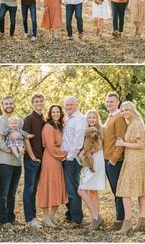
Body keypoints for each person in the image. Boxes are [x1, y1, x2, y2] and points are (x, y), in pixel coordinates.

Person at [115, 101, 145, 235]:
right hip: (134, 158)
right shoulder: (132, 123)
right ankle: (143, 220)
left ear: (133, 110)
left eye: (127, 110)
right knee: (140, 190)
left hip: (135, 159)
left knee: (125, 191)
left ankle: (128, 222)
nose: (124, 112)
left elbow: (140, 144)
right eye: (122, 110)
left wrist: (123, 143)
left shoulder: (135, 124)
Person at [37, 105, 68, 227]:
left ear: (60, 114)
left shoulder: (59, 127)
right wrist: (66, 153)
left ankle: (52, 215)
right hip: (50, 158)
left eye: (57, 112)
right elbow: (50, 147)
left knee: (57, 186)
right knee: (48, 186)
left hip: (58, 160)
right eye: (53, 112)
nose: (56, 114)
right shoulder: (48, 127)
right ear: (50, 114)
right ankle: (45, 217)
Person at [0, 96, 23, 229]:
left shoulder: (19, 121)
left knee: (13, 192)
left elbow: (22, 135)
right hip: (5, 162)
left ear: (14, 104)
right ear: (2, 105)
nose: (9, 105)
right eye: (6, 104)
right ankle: (4, 220)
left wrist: (21, 137)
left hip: (18, 163)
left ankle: (11, 218)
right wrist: (12, 151)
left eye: (11, 103)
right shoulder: (1, 121)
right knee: (4, 192)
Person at [61, 96, 88, 228]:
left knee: (72, 189)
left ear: (77, 104)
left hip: (72, 159)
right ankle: (70, 213)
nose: (69, 106)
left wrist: (70, 157)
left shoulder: (80, 119)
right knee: (67, 188)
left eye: (71, 104)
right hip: (64, 158)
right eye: (66, 105)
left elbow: (78, 141)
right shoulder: (67, 119)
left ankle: (77, 218)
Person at [78, 110, 106, 230]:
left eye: (93, 117)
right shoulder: (86, 130)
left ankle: (97, 218)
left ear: (97, 118)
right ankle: (96, 219)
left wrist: (85, 152)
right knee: (92, 191)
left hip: (95, 161)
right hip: (89, 159)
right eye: (89, 117)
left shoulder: (99, 129)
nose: (91, 119)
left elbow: (98, 147)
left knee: (81, 190)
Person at [103, 92, 127, 231]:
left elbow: (121, 140)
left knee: (118, 190)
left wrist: (113, 159)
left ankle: (120, 220)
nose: (109, 104)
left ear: (117, 102)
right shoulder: (110, 117)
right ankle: (120, 218)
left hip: (114, 161)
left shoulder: (119, 118)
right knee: (115, 190)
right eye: (107, 102)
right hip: (107, 159)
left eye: (111, 101)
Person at [23, 93, 45, 228]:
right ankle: (29, 218)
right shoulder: (29, 118)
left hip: (41, 159)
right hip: (32, 159)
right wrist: (32, 157)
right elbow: (26, 139)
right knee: (29, 188)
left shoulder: (43, 118)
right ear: (32, 103)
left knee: (34, 189)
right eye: (36, 101)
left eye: (41, 101)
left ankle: (34, 217)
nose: (39, 103)